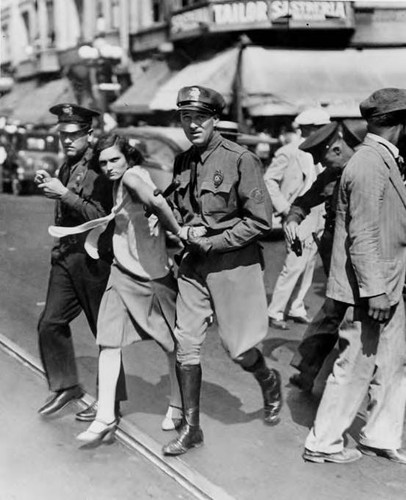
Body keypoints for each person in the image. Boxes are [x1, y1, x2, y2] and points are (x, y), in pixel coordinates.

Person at [162, 85, 282, 457]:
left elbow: (261, 221)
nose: (193, 125)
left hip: (233, 263)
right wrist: (167, 218)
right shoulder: (183, 161)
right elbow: (179, 204)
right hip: (193, 264)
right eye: (186, 117)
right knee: (187, 342)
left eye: (200, 117)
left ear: (215, 119)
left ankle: (268, 379)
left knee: (238, 348)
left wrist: (213, 240)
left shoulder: (241, 159)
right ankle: (192, 428)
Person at [303, 88, 406, 464]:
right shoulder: (368, 164)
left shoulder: (387, 160)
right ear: (398, 123)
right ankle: (323, 442)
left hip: (393, 281)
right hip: (371, 287)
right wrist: (375, 292)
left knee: (395, 363)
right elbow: (362, 234)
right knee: (356, 365)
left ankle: (379, 435)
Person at [76, 134, 185, 445]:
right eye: (104, 162)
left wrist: (176, 231)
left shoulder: (134, 176)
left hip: (152, 277)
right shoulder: (118, 181)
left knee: (172, 344)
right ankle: (105, 416)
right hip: (122, 273)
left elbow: (157, 200)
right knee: (108, 342)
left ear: (128, 158)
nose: (110, 167)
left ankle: (177, 403)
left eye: (115, 160)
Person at [35, 103, 127, 419]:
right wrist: (53, 187)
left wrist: (63, 194)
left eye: (73, 135)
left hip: (94, 259)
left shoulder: (101, 166)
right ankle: (66, 386)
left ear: (89, 134)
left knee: (104, 331)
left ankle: (110, 402)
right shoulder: (67, 164)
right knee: (50, 323)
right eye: (63, 135)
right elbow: (67, 206)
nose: (67, 141)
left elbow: (102, 216)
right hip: (66, 256)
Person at [284, 120, 366, 392]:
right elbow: (303, 201)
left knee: (343, 316)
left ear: (337, 148)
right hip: (337, 255)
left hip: (365, 254)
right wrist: (293, 221)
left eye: (323, 156)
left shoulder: (368, 170)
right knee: (334, 313)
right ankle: (310, 371)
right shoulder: (331, 175)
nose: (321, 163)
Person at [264, 108, 330, 330]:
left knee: (310, 262)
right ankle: (275, 310)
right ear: (309, 128)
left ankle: (297, 305)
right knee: (294, 263)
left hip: (319, 212)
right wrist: (284, 208)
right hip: (296, 214)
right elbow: (269, 181)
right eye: (320, 128)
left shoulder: (323, 151)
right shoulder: (289, 151)